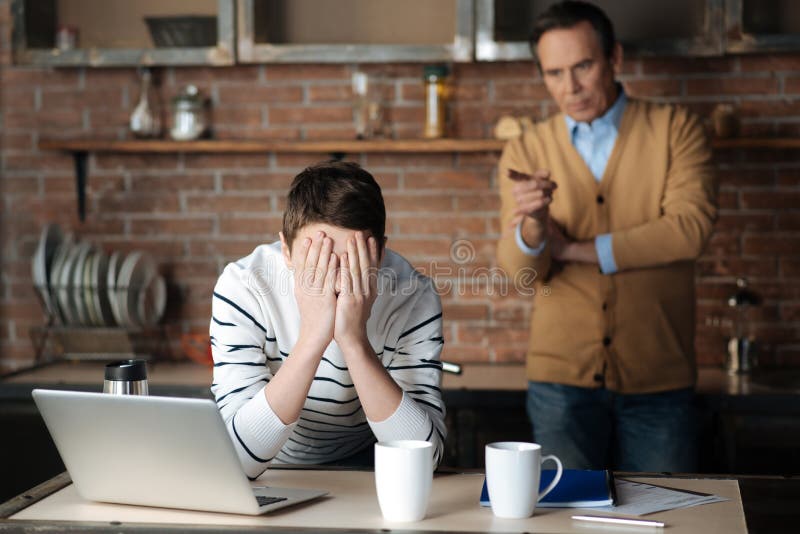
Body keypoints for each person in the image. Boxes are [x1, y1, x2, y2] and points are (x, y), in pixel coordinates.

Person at [496, 1, 717, 472]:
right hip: (559, 382)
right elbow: (520, 273)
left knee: (667, 514)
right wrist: (533, 223)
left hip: (658, 377)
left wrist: (575, 249)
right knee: (563, 519)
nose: (569, 87)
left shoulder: (677, 129)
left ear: (614, 58)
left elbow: (689, 229)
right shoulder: (526, 148)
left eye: (583, 66)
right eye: (554, 73)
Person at [210, 161, 445, 479]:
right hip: (270, 464)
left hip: (370, 460)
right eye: (317, 261)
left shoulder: (413, 296)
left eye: (352, 263)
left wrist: (354, 340)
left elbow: (424, 458)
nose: (333, 281)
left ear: (379, 255)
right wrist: (313, 337)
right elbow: (238, 458)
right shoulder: (243, 287)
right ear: (287, 251)